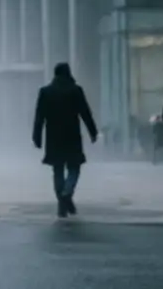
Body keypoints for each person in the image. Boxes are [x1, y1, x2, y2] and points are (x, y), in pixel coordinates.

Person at [32, 62, 98, 218]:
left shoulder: (46, 92)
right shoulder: (75, 90)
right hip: (72, 135)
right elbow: (85, 113)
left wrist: (37, 136)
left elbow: (39, 117)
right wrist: (93, 132)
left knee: (57, 169)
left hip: (53, 136)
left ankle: (62, 203)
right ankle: (67, 192)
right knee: (74, 167)